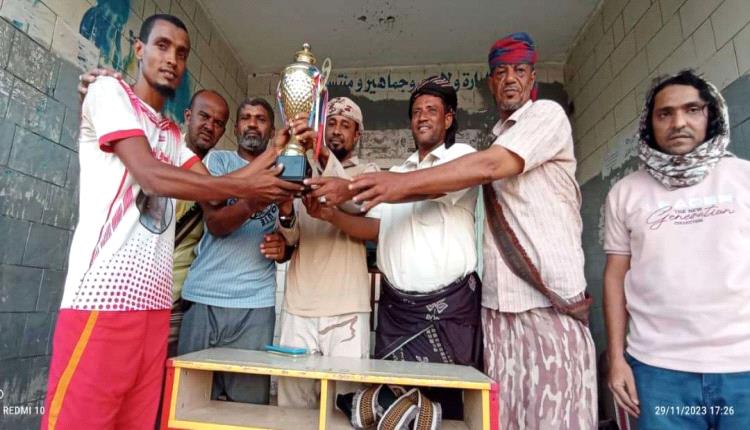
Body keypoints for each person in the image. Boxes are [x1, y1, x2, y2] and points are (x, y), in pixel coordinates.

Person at [41, 14, 301, 429]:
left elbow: (215, 193)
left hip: (156, 308)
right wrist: (250, 187)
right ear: (139, 49)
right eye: (162, 46)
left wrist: (276, 152)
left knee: (140, 421)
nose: (172, 59)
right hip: (103, 302)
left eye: (181, 53)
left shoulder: (171, 135)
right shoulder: (109, 92)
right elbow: (150, 175)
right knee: (82, 420)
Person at [349, 33, 597, 429]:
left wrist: (391, 183)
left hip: (547, 302)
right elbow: (378, 220)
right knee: (503, 419)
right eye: (501, 72)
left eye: (519, 70)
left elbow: (487, 167)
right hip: (497, 307)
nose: (510, 79)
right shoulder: (496, 140)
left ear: (532, 78)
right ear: (491, 83)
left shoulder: (541, 118)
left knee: (556, 417)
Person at [309, 77, 483, 419]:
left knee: (444, 414)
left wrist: (351, 188)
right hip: (396, 314)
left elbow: (429, 188)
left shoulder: (460, 157)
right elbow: (375, 228)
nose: (422, 116)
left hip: (446, 315)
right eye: (416, 111)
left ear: (448, 118)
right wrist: (331, 215)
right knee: (391, 415)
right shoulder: (399, 172)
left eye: (431, 110)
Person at [603, 70, 750, 430]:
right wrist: (617, 360)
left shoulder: (744, 177)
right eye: (665, 113)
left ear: (710, 114)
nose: (678, 122)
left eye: (692, 109)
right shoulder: (625, 192)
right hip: (658, 369)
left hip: (743, 365)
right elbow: (615, 276)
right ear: (649, 123)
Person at [177, 97, 292, 405]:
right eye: (246, 118)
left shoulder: (284, 171)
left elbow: (292, 234)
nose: (252, 124)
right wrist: (254, 199)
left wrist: (285, 246)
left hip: (255, 304)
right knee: (189, 404)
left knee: (247, 409)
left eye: (261, 119)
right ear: (237, 127)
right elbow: (216, 224)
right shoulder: (218, 162)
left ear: (271, 130)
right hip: (204, 296)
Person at [276, 97, 379, 408]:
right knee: (293, 408)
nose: (337, 131)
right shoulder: (301, 168)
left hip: (347, 308)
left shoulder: (368, 172)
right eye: (331, 124)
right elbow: (292, 236)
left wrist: (321, 154)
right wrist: (285, 210)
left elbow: (358, 205)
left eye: (345, 125)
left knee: (343, 409)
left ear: (357, 134)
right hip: (300, 304)